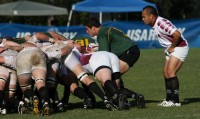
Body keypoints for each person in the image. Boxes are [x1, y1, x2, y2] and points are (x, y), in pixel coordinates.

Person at [142, 5, 189, 107]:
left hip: (180, 47)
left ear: (152, 16)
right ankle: (169, 100)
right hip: (172, 48)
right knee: (165, 72)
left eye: (144, 17)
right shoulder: (154, 24)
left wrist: (172, 47)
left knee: (171, 72)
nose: (143, 19)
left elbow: (177, 34)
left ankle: (175, 101)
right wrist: (169, 47)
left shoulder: (161, 23)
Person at [84, 17, 140, 89]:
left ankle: (118, 96)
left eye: (87, 29)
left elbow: (104, 53)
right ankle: (121, 96)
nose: (86, 31)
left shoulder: (101, 33)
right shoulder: (105, 29)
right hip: (130, 50)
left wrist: (93, 53)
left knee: (109, 76)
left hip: (129, 51)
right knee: (114, 73)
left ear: (93, 28)